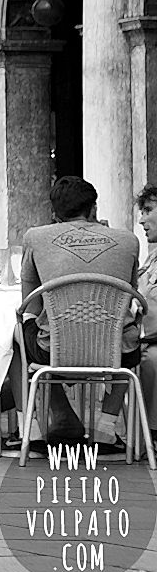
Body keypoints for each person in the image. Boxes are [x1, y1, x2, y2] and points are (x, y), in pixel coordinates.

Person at [17, 176, 142, 449]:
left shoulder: (35, 237)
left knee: (16, 336)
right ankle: (106, 426)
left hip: (54, 349)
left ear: (54, 213)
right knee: (125, 332)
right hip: (117, 350)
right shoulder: (128, 240)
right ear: (93, 208)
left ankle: (37, 425)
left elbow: (31, 303)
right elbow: (128, 294)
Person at [133, 185, 157, 448]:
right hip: (143, 336)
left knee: (149, 358)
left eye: (148, 211)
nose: (141, 220)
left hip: (150, 340)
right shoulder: (152, 257)